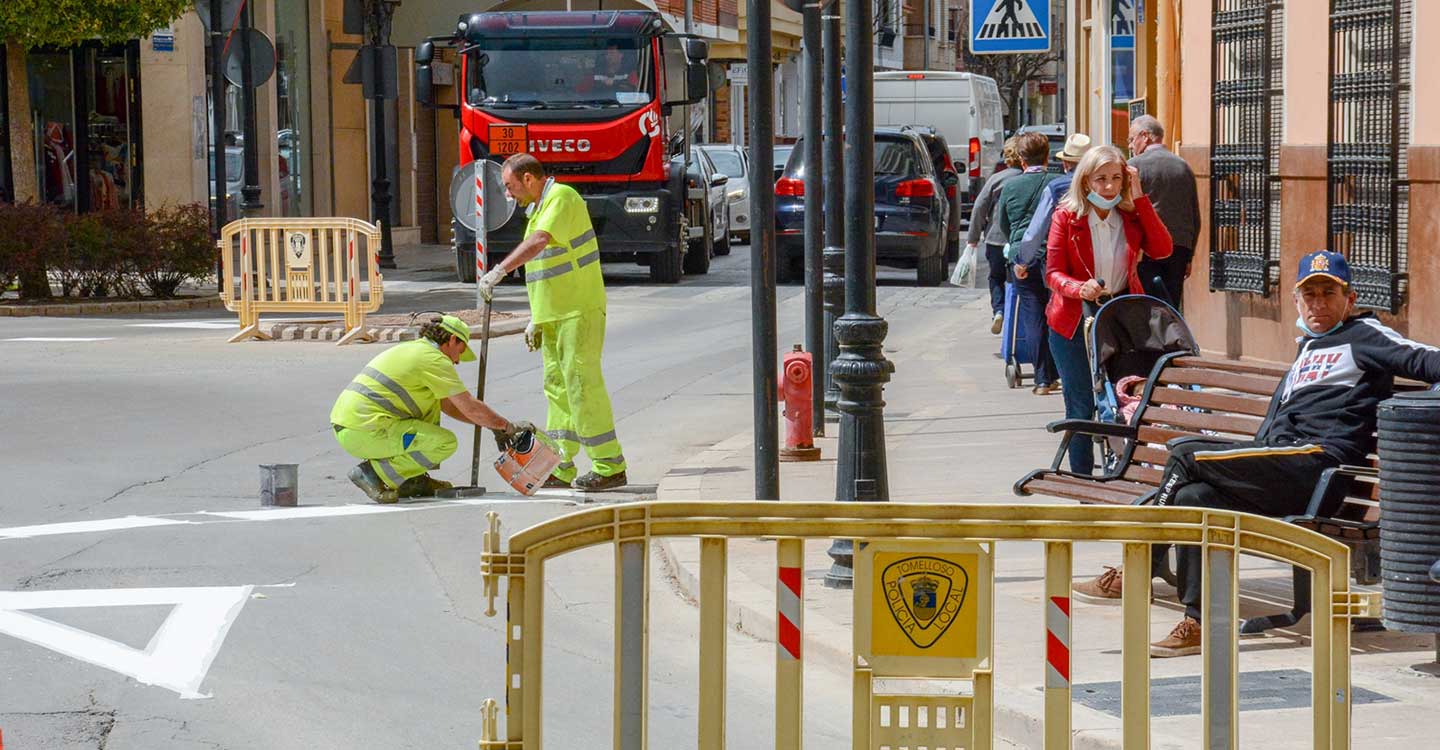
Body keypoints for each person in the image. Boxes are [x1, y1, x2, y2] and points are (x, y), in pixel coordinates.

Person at [1073, 251, 1440, 658]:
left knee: (1184, 454)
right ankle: (1199, 622)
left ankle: (1138, 569)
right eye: (1310, 295)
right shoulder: (1310, 348)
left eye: (1328, 294)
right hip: (1280, 465)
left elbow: (1426, 360)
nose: (1318, 303)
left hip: (1315, 467)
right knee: (1194, 498)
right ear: (1297, 302)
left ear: (1349, 299)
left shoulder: (1366, 336)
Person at [478, 153, 628, 492]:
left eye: (510, 186)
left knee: (581, 387)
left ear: (529, 179)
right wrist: (537, 317)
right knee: (558, 391)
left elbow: (539, 244)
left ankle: (610, 464)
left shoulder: (562, 197)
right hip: (555, 316)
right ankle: (561, 465)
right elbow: (545, 274)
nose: (509, 194)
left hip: (578, 310)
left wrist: (500, 271)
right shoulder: (537, 212)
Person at [1043, 145, 1173, 473]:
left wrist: (1140, 197)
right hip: (1073, 319)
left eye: (1117, 178)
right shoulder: (1067, 216)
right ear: (1086, 181)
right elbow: (1052, 272)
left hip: (1118, 318)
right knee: (1081, 404)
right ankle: (1083, 479)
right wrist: (1079, 288)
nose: (1110, 187)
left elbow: (1162, 249)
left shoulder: (1129, 216)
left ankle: (1123, 473)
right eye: (1101, 179)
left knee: (1122, 399)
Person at [331, 315, 528, 504]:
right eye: (460, 351)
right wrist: (505, 426)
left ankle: (412, 480)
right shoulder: (434, 360)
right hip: (366, 430)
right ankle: (372, 472)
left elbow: (451, 406)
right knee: (445, 442)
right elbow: (468, 405)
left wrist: (491, 425)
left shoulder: (416, 350)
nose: (458, 361)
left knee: (432, 402)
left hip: (354, 427)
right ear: (451, 339)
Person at [997, 132, 1060, 396]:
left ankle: (1043, 379)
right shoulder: (1057, 182)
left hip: (1023, 258)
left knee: (1033, 316)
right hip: (1056, 255)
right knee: (1057, 315)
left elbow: (1004, 224)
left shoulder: (1010, 187)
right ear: (1047, 156)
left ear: (1021, 160)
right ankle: (1059, 371)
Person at [1127, 115, 1200, 311]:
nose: (1131, 145)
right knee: (1171, 304)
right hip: (1179, 246)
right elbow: (1194, 214)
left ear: (1145, 136)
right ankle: (1170, 340)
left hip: (1147, 248)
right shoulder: (1184, 166)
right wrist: (1190, 255)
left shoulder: (1134, 166)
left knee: (1146, 304)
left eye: (1132, 139)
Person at [965, 137, 1023, 334]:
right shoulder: (1028, 178)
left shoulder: (997, 179)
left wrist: (972, 238)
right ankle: (1017, 316)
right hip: (1020, 240)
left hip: (995, 238)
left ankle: (998, 310)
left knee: (996, 277)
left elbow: (979, 207)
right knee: (1019, 279)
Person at [1015, 133, 1092, 268]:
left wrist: (1022, 260)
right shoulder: (1105, 185)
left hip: (1066, 259)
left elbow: (1037, 230)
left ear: (1065, 163)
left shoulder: (1056, 188)